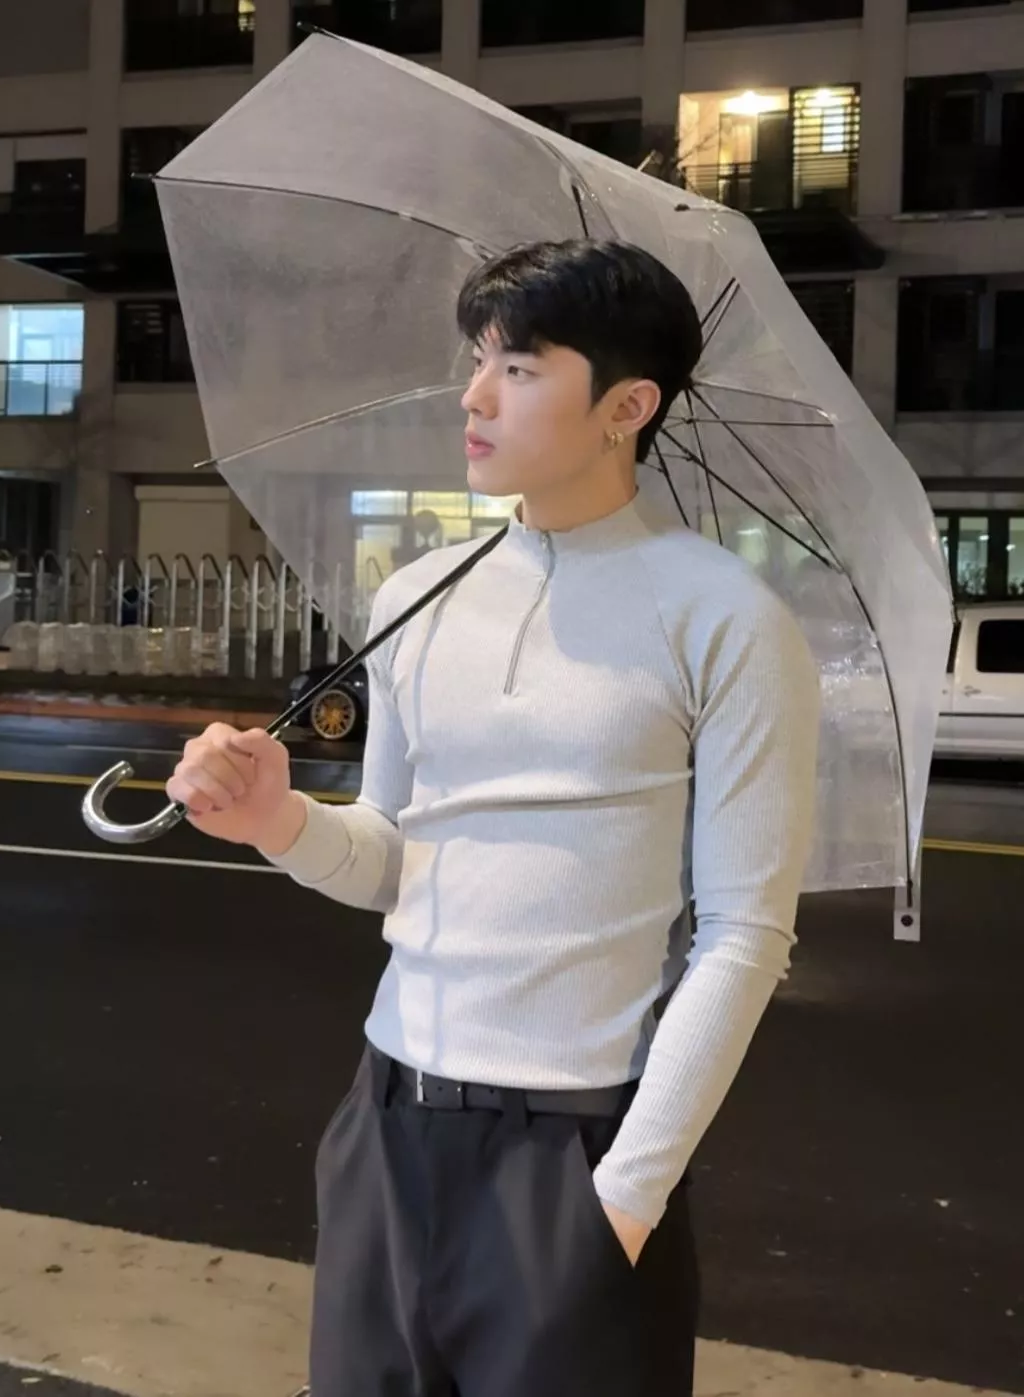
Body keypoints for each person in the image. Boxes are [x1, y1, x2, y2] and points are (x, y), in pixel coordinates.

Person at [167, 239, 822, 1397]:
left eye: (518, 368)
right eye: (477, 360)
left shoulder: (723, 616)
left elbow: (741, 933)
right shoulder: (416, 594)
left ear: (627, 406)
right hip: (385, 1122)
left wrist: (625, 1195)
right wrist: (278, 820)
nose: (473, 397)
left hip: (573, 1149)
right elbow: (391, 856)